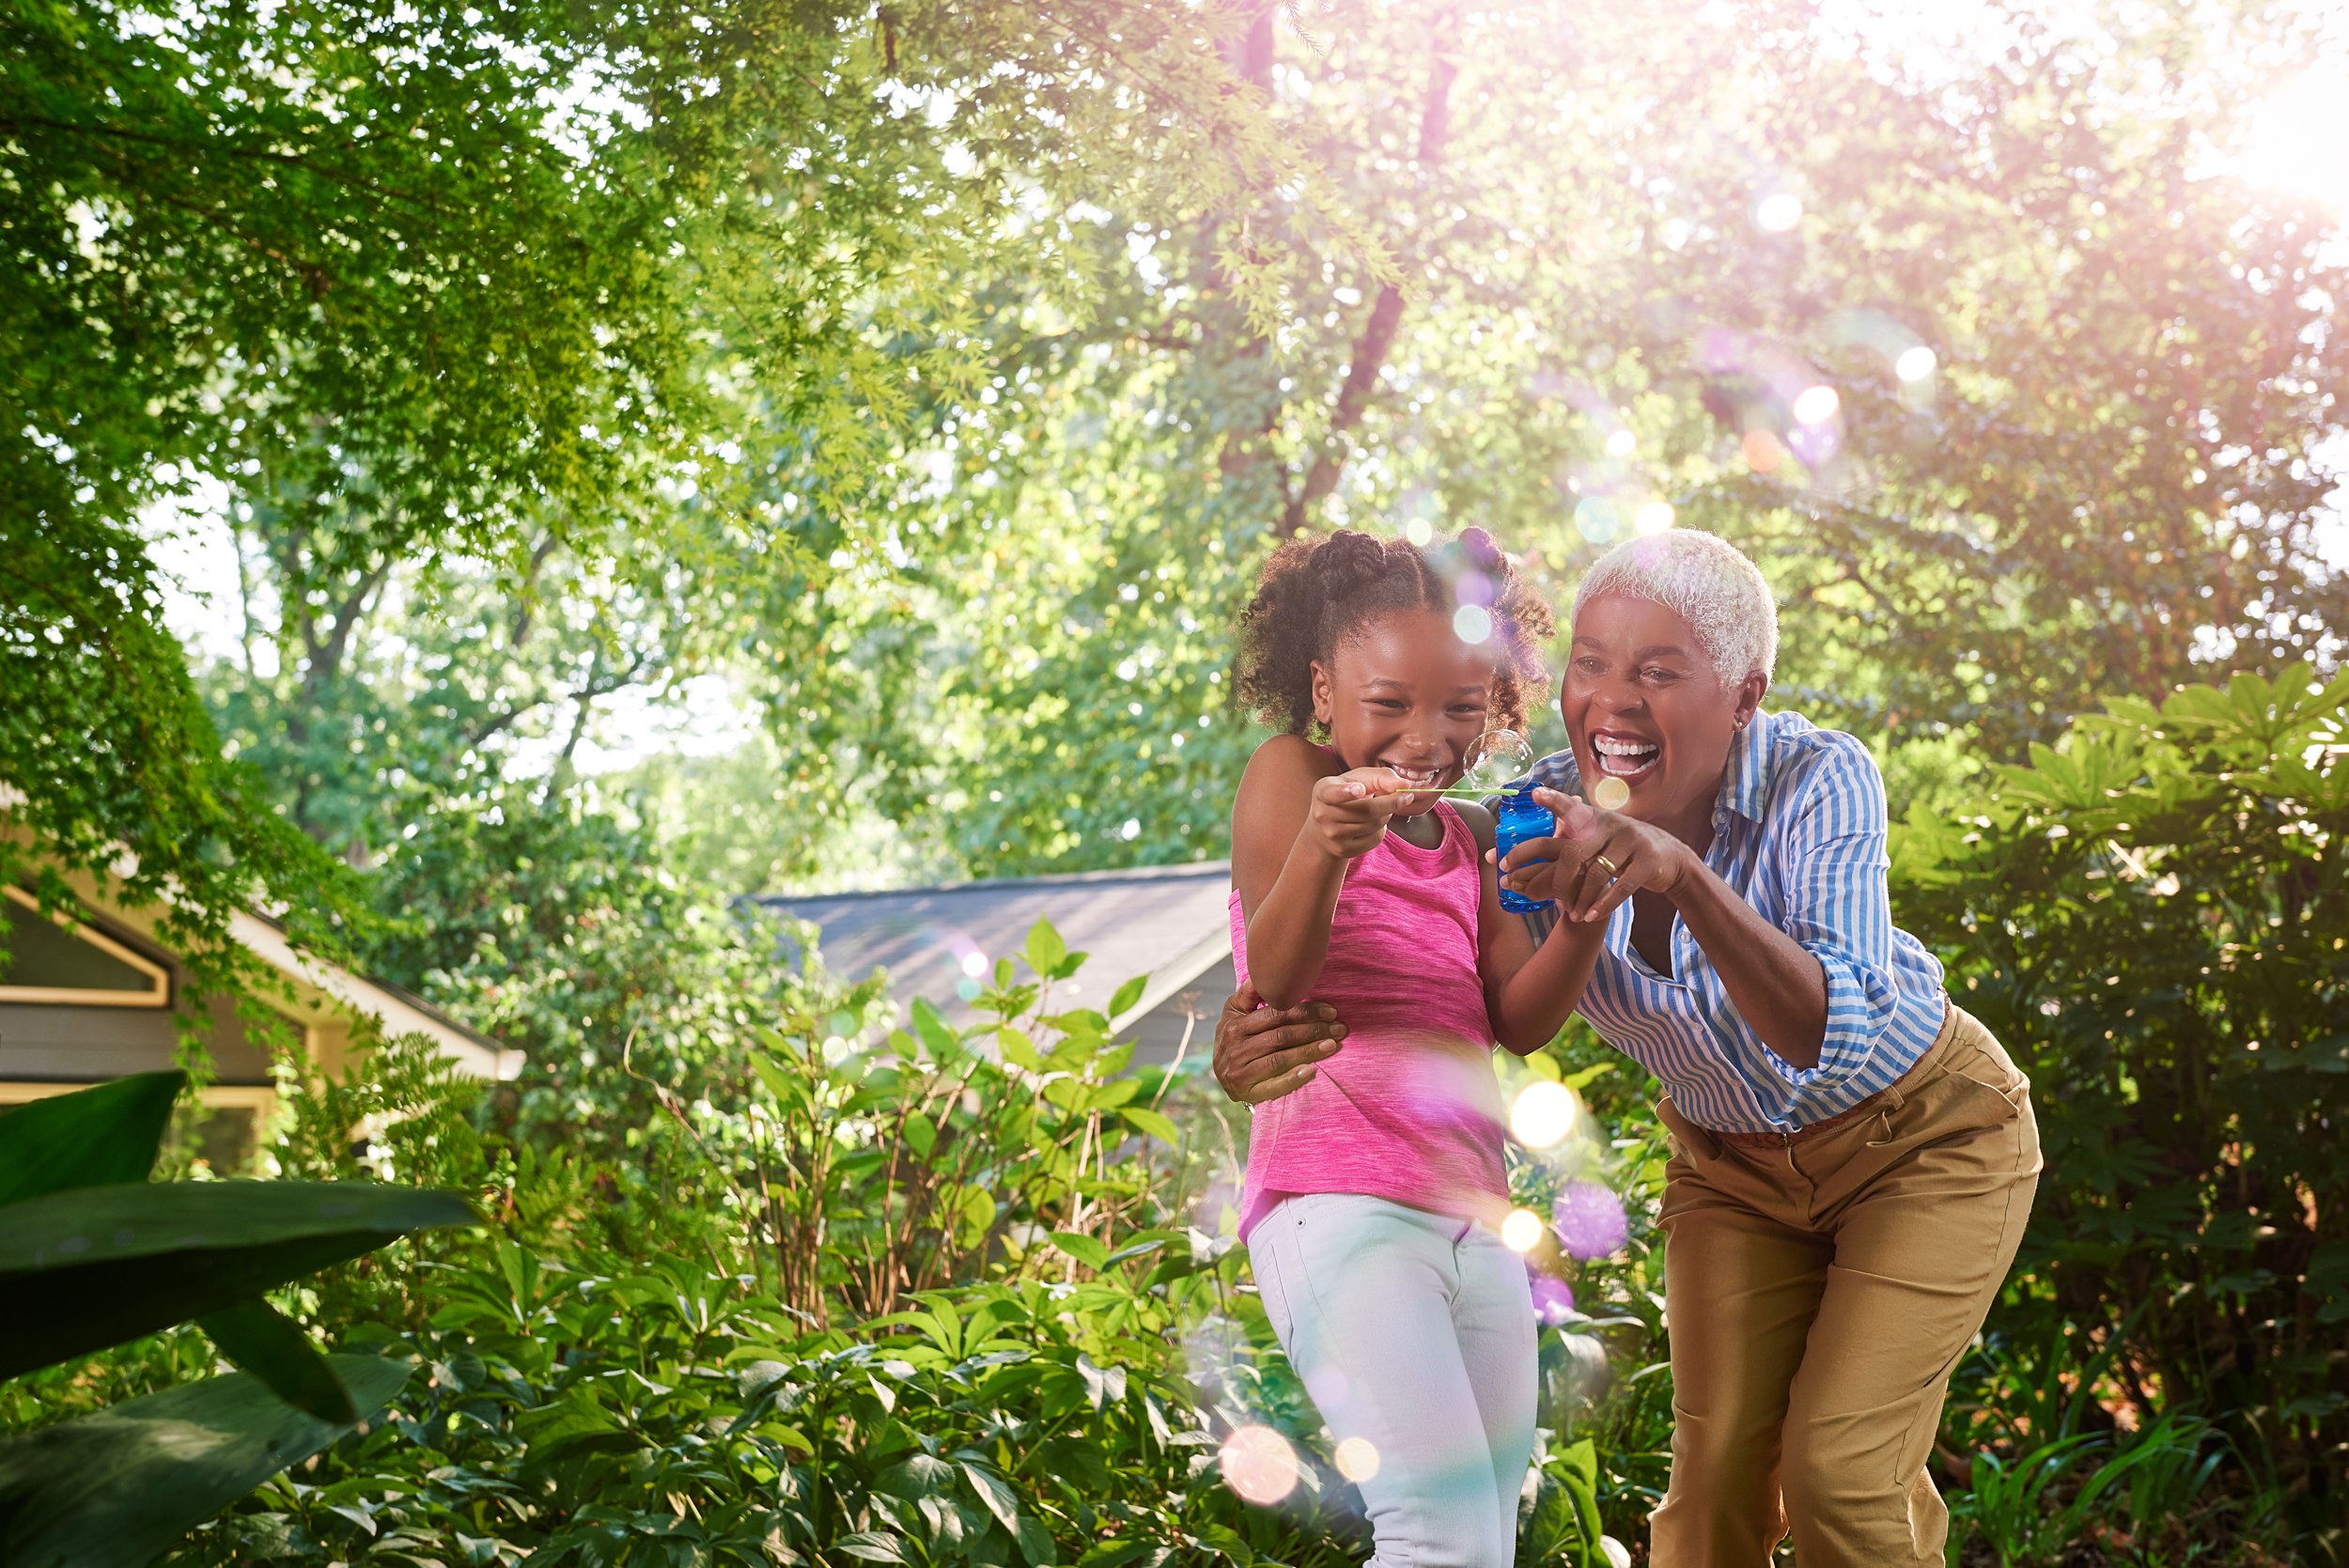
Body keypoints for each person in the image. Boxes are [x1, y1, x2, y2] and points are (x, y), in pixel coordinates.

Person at [1215, 529, 2042, 1568]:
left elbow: (1820, 1033)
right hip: (1724, 1166)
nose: (1613, 701)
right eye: (1592, 665)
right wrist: (1246, 1028)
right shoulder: (1525, 819)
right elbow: (1322, 958)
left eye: (1657, 672)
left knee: (1838, 1472)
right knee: (1705, 1492)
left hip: (1919, 1138)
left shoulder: (1813, 777)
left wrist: (1670, 880)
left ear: (1743, 696)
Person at [1225, 526, 1597, 1568]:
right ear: (1323, 688)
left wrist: (1582, 916)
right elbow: (1278, 981)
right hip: (1338, 1202)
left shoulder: (1472, 837)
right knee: (1437, 1536)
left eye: (1461, 709)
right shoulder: (1291, 778)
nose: (1426, 739)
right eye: (1389, 702)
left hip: (1474, 1220)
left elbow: (1517, 1019)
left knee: (1482, 1541)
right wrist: (1323, 848)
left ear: (1497, 704)